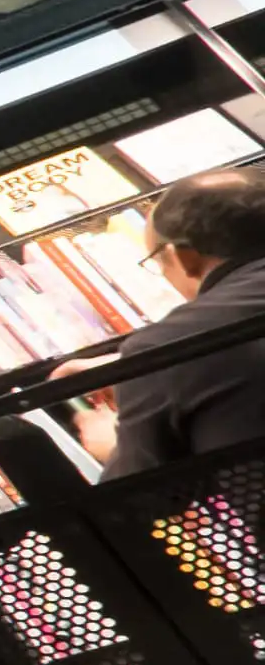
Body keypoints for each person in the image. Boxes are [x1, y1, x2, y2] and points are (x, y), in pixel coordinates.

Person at [79, 164, 265, 475]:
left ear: (185, 257)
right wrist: (129, 368)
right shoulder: (167, 348)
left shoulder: (165, 346)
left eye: (157, 260)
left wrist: (113, 446)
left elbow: (133, 507)